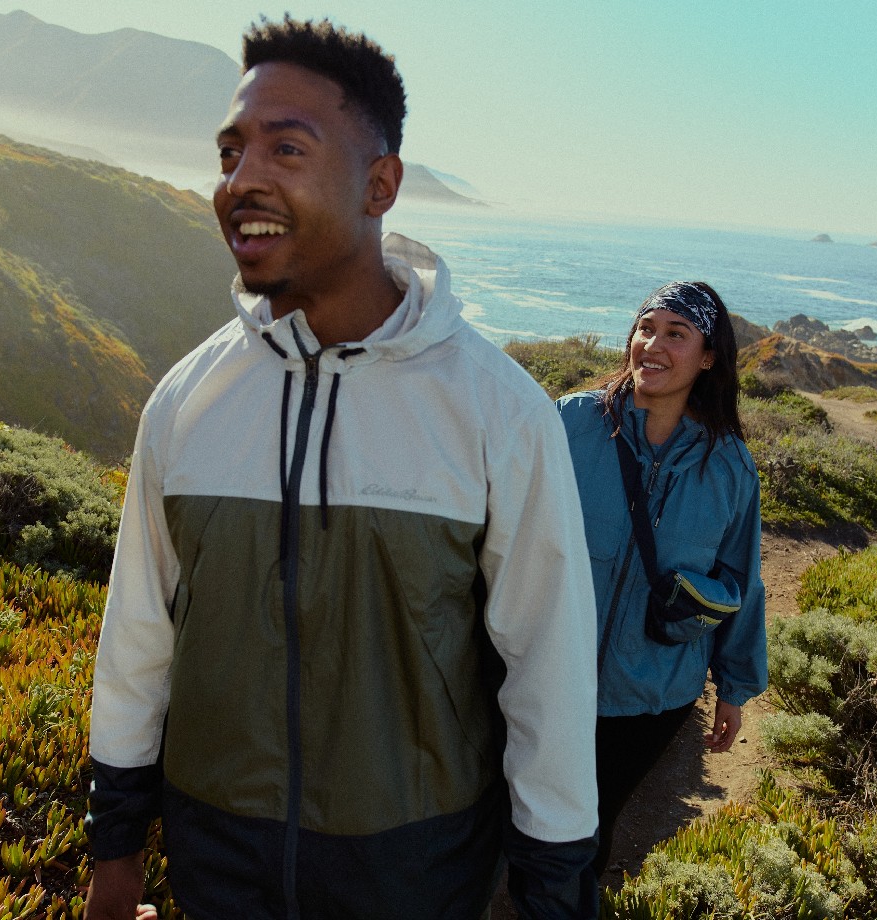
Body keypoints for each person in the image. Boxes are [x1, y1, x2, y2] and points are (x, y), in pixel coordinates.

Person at [83, 16, 599, 920]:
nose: (241, 180)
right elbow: (137, 638)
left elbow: (548, 670)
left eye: (287, 148)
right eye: (231, 152)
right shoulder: (186, 400)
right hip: (216, 864)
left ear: (380, 184)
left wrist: (552, 889)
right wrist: (114, 848)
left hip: (418, 872)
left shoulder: (498, 411)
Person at [556, 281, 767, 877]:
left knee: (590, 826)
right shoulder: (571, 422)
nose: (653, 345)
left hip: (651, 695)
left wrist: (734, 687)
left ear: (708, 357)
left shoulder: (728, 466)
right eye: (646, 328)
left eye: (677, 334)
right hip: (548, 673)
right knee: (509, 810)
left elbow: (741, 580)